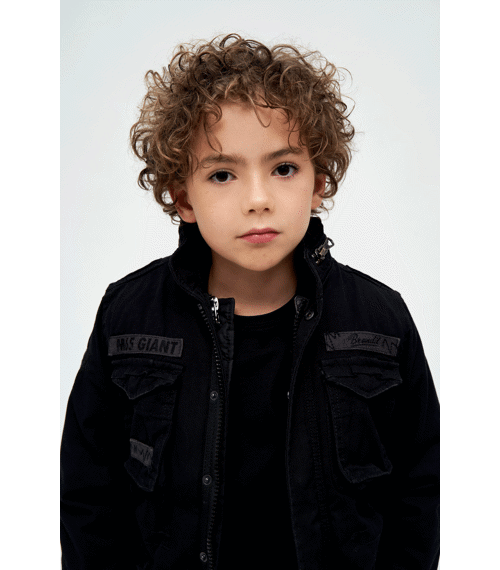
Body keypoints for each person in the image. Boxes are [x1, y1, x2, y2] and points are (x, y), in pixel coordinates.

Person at [60, 34, 439, 570]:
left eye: (283, 169)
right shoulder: (128, 314)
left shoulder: (380, 320)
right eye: (222, 174)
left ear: (318, 183)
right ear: (183, 197)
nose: (258, 199)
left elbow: (420, 493)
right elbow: (88, 494)